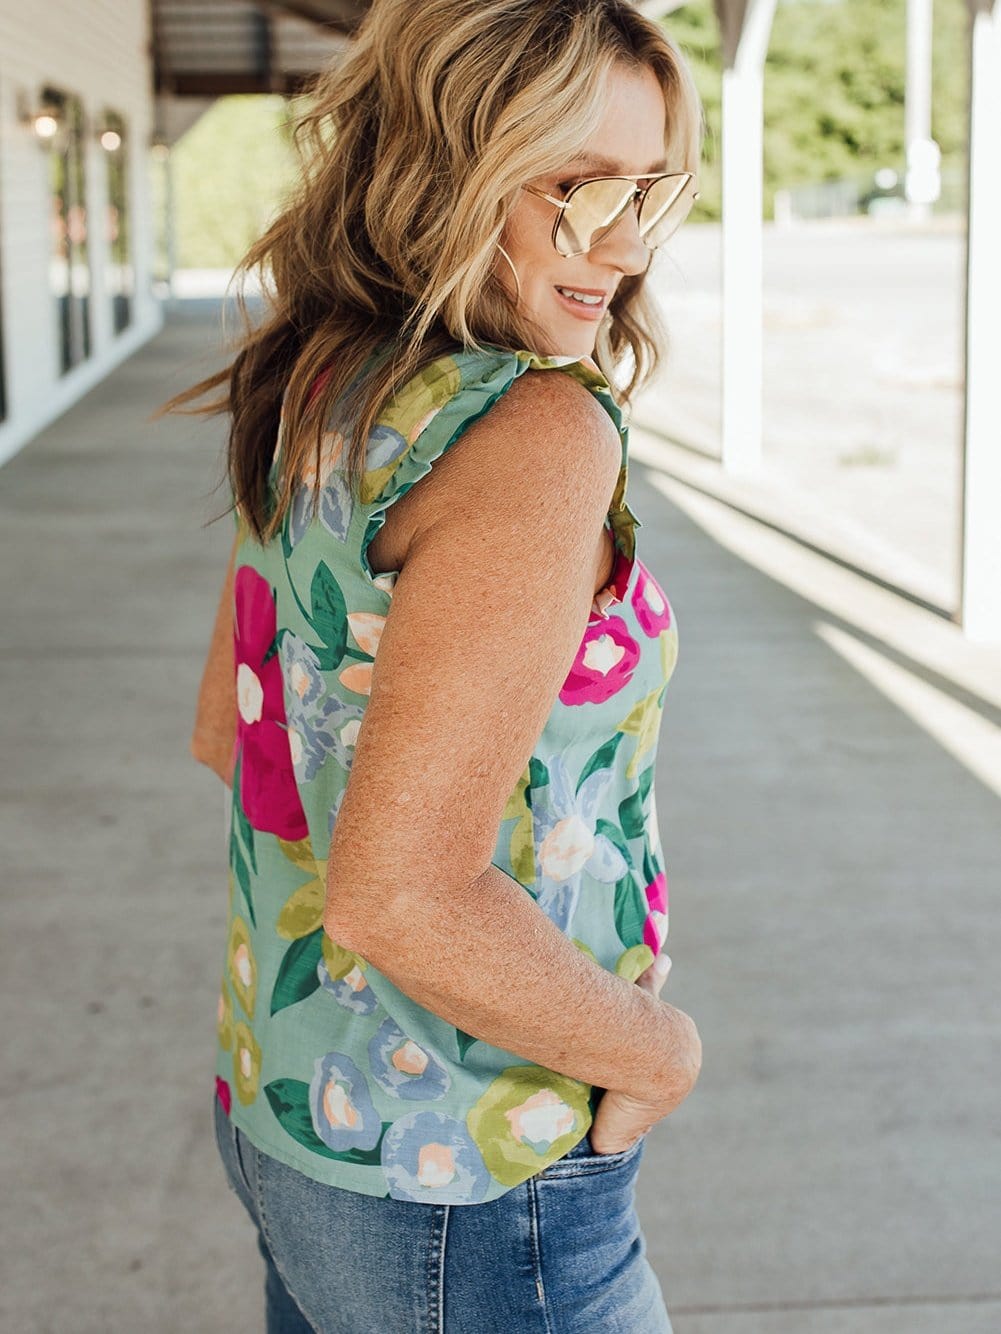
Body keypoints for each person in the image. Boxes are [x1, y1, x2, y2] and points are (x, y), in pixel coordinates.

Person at [177, 1, 705, 1329]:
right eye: (579, 191)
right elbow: (402, 896)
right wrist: (653, 1047)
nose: (626, 245)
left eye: (650, 189)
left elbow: (226, 732)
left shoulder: (320, 382)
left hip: (295, 1116)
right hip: (472, 1163)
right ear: (444, 164)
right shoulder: (532, 434)